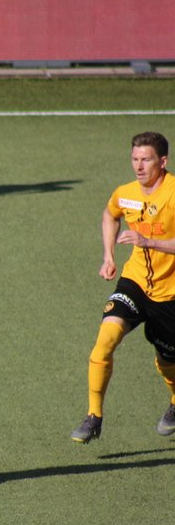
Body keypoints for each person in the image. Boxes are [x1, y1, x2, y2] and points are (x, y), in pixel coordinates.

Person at [72, 131, 175, 443]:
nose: (139, 166)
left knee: (167, 360)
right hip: (134, 283)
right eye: (134, 159)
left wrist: (147, 240)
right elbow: (110, 213)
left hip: (170, 294)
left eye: (146, 159)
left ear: (163, 161)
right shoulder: (126, 193)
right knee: (105, 340)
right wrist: (108, 255)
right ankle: (94, 416)